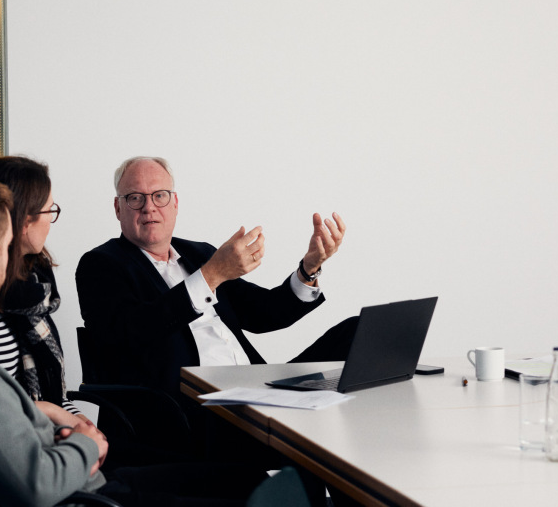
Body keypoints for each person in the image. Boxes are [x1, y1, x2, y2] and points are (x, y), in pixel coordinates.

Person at [0, 175, 262, 507]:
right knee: (263, 504)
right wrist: (89, 443)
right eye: (9, 244)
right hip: (79, 505)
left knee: (251, 480)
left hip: (79, 484)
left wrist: (34, 409)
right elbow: (35, 487)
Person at [76, 156, 360, 399]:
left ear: (174, 203)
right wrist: (211, 275)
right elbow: (133, 334)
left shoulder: (198, 253)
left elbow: (265, 314)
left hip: (258, 389)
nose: (149, 207)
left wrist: (309, 268)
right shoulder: (101, 265)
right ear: (118, 208)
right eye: (135, 198)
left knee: (357, 332)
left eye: (159, 195)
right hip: (190, 409)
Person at [0, 156, 86, 425]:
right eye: (50, 211)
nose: (51, 221)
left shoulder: (33, 291)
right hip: (21, 450)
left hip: (46, 437)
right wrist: (61, 418)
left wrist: (79, 420)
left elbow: (54, 396)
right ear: (25, 220)